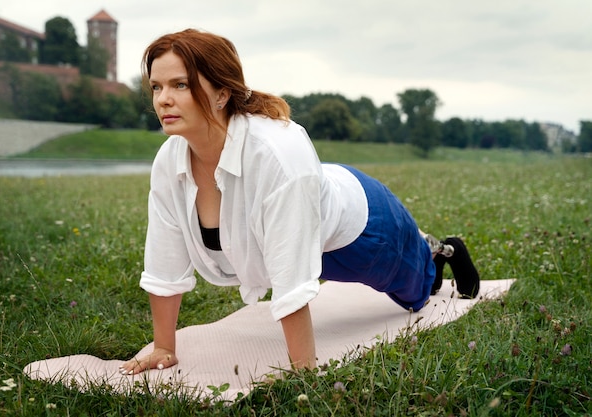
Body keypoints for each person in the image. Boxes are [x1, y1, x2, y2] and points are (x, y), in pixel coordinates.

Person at [119, 29, 479, 374]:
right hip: (307, 191)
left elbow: (290, 279)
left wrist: (302, 375)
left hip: (361, 227)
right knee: (409, 284)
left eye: (180, 84)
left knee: (417, 293)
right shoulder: (170, 160)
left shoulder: (276, 153)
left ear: (221, 93)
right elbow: (165, 260)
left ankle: (438, 249)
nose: (162, 98)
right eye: (156, 86)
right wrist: (164, 348)